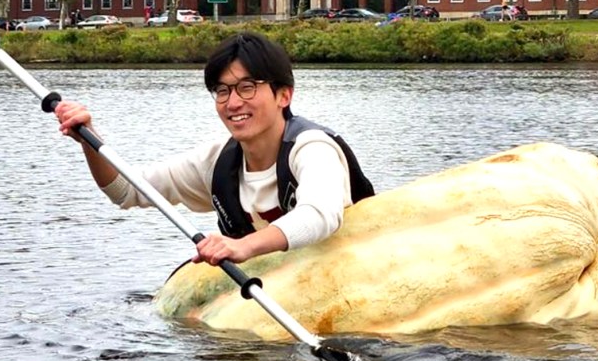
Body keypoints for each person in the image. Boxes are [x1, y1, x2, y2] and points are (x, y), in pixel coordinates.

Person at [53, 31, 373, 266]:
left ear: (283, 95)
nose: (233, 103)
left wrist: (243, 247)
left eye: (247, 87)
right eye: (221, 91)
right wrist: (89, 140)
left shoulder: (313, 148)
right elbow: (124, 190)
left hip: (356, 275)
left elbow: (319, 215)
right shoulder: (217, 162)